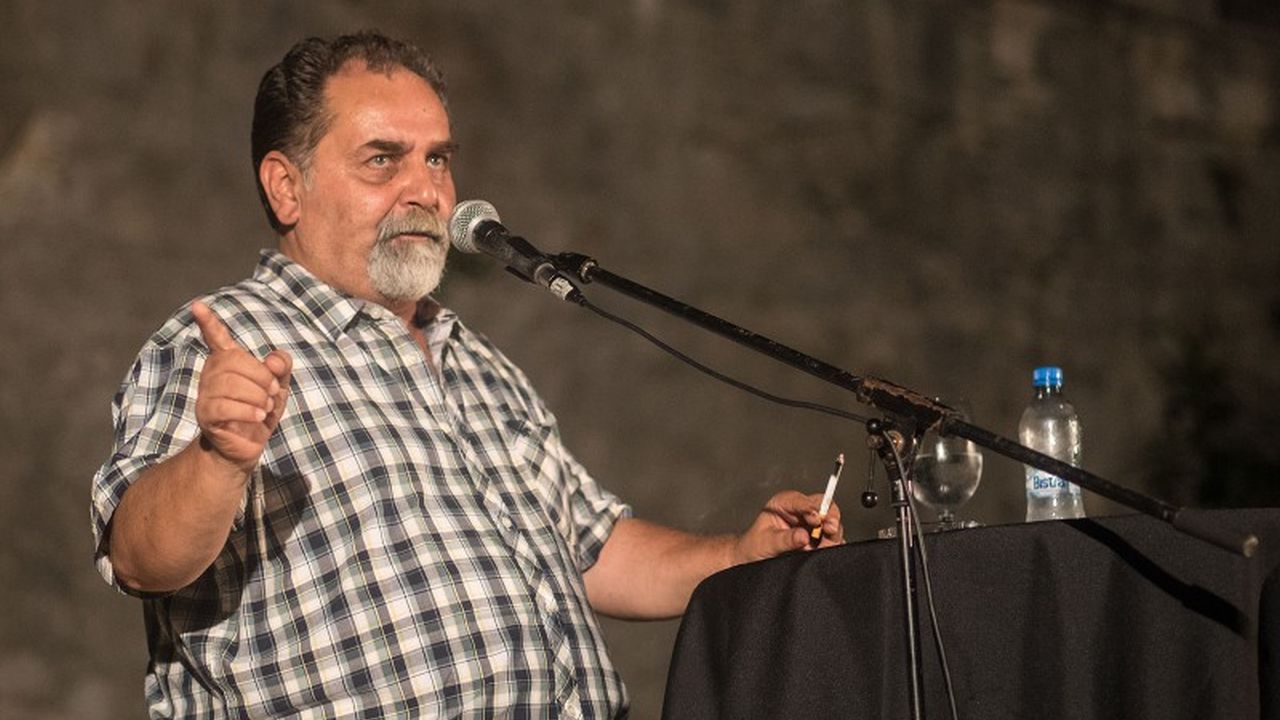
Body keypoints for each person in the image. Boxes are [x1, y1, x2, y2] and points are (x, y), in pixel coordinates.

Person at [91, 31, 843, 718]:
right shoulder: (224, 344)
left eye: (437, 159)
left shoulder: (475, 361)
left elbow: (595, 551)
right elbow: (138, 557)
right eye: (382, 159)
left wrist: (736, 557)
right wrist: (217, 457)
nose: (427, 191)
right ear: (287, 186)